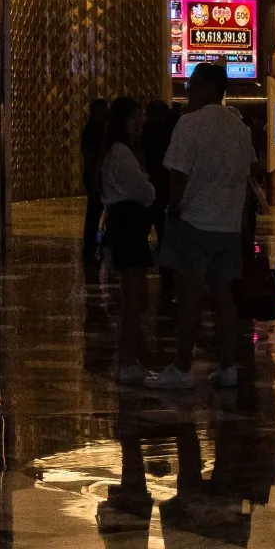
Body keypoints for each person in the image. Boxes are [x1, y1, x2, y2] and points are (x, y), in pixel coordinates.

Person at [148, 63, 257, 390]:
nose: (187, 91)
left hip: (192, 223)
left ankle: (182, 368)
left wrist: (176, 208)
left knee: (190, 297)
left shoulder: (189, 125)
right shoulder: (241, 129)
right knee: (225, 298)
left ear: (209, 88)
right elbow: (252, 171)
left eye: (192, 84)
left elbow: (177, 175)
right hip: (228, 226)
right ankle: (227, 365)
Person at [101, 95, 157, 384]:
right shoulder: (122, 153)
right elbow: (145, 190)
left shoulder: (119, 151)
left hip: (126, 226)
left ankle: (131, 356)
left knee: (135, 294)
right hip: (128, 226)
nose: (141, 122)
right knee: (133, 296)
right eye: (136, 117)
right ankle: (127, 360)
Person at [79, 97, 108, 262]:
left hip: (94, 175)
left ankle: (91, 241)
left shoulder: (95, 128)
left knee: (95, 210)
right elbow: (89, 155)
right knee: (94, 209)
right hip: (94, 176)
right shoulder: (92, 130)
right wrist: (94, 176)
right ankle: (90, 242)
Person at [142, 99, 176, 239]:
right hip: (163, 178)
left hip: (147, 177)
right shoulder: (168, 130)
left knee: (147, 217)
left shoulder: (143, 130)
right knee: (161, 218)